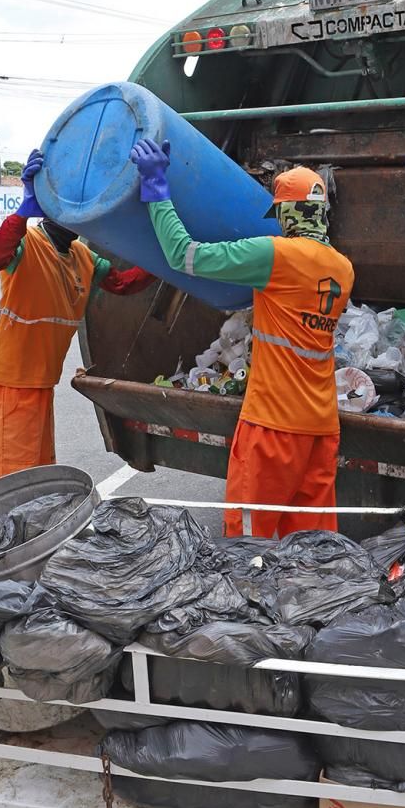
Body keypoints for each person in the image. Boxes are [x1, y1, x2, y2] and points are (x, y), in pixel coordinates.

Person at [129, 138, 354, 539]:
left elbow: (183, 255)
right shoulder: (343, 269)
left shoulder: (277, 256)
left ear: (287, 213)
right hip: (320, 429)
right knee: (312, 546)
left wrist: (157, 190)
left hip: (273, 428)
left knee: (250, 542)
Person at [0, 148, 154, 484]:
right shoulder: (27, 243)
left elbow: (123, 283)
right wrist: (21, 214)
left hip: (41, 383)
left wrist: (164, 258)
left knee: (38, 475)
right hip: (10, 384)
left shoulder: (82, 255)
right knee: (9, 481)